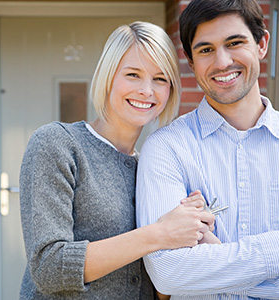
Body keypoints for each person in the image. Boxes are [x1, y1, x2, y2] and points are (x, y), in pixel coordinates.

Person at [19, 21, 215, 299]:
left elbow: (159, 290)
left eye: (160, 79)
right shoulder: (57, 144)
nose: (147, 90)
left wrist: (190, 230)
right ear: (108, 76)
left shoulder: (156, 167)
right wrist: (159, 233)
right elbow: (49, 267)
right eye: (133, 74)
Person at [136, 0, 279, 299]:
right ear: (191, 61)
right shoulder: (166, 149)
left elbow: (186, 274)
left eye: (234, 43)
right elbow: (169, 274)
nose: (222, 62)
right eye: (205, 49)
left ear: (262, 44)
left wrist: (216, 262)